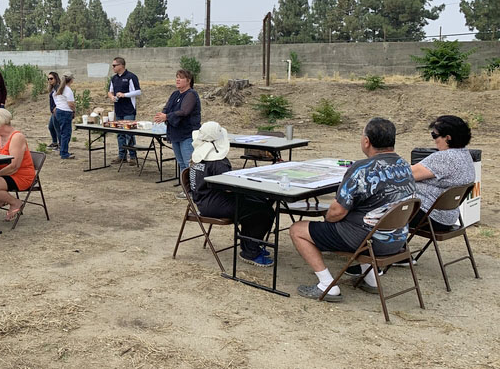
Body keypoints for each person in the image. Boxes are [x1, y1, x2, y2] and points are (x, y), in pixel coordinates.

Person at [289, 117, 415, 302]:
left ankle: (326, 285)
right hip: (398, 239)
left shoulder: (361, 169)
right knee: (361, 216)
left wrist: (328, 221)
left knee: (297, 229)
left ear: (366, 141)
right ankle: (371, 280)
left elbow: (336, 212)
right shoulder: (405, 166)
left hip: (368, 240)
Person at [188, 122, 275, 267]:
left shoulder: (198, 158)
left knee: (258, 202)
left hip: (203, 201)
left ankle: (250, 244)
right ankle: (250, 251)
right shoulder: (218, 163)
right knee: (263, 211)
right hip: (216, 204)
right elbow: (229, 187)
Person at [410, 115, 475, 232]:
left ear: (448, 138)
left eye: (435, 135)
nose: (434, 140)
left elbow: (407, 174)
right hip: (448, 216)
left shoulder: (445, 158)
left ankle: (385, 247)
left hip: (429, 217)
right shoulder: (465, 155)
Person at [154, 68, 201, 197]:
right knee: (181, 163)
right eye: (176, 77)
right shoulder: (175, 94)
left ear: (188, 81)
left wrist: (167, 117)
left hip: (187, 133)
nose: (177, 80)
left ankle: (194, 191)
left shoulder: (191, 94)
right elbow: (167, 107)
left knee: (189, 163)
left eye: (180, 77)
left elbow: (184, 111)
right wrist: (162, 114)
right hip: (175, 133)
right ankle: (186, 189)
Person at [108, 56, 141, 166]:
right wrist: (112, 97)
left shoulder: (131, 77)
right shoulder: (114, 78)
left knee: (129, 133)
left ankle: (133, 156)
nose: (113, 67)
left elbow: (138, 92)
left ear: (121, 65)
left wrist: (124, 95)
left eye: (114, 65)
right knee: (120, 133)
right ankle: (122, 156)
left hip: (129, 110)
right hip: (119, 109)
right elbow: (110, 91)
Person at [54, 72, 76, 160]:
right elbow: (70, 103)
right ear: (71, 80)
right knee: (66, 133)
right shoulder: (68, 90)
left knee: (62, 132)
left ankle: (63, 150)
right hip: (65, 112)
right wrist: (74, 111)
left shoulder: (60, 88)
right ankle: (64, 153)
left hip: (59, 111)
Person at [46, 71, 61, 150]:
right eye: (48, 79)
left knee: (57, 128)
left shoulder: (58, 87)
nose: (49, 80)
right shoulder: (53, 88)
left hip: (57, 111)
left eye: (51, 78)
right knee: (51, 127)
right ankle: (55, 142)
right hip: (53, 112)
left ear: (56, 78)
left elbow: (61, 99)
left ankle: (60, 145)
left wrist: (57, 107)